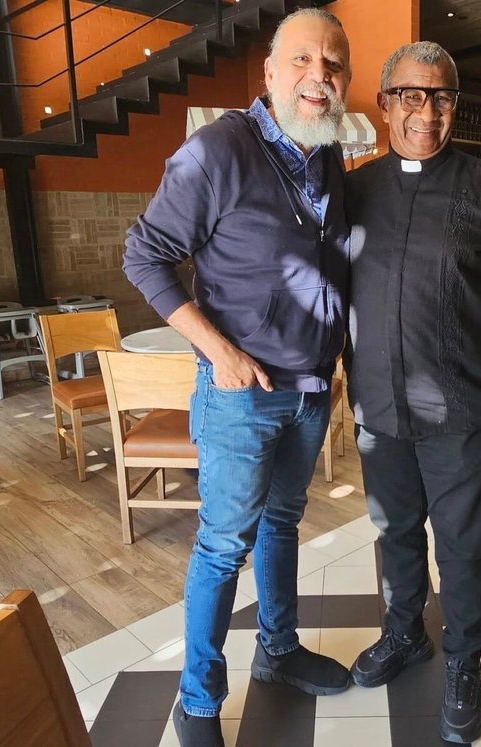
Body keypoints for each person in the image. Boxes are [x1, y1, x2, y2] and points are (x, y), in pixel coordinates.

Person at [121, 8, 353, 746]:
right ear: (270, 72)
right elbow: (143, 255)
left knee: (282, 524)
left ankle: (279, 652)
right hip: (240, 395)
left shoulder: (328, 155)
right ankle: (197, 702)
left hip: (309, 391)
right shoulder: (218, 150)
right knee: (225, 545)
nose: (319, 75)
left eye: (334, 63)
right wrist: (216, 350)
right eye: (304, 60)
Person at [343, 42, 481, 743]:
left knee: (465, 545)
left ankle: (465, 660)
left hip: (461, 404)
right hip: (377, 402)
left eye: (441, 97)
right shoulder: (353, 191)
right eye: (412, 95)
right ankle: (405, 632)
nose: (428, 111)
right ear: (385, 104)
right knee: (394, 531)